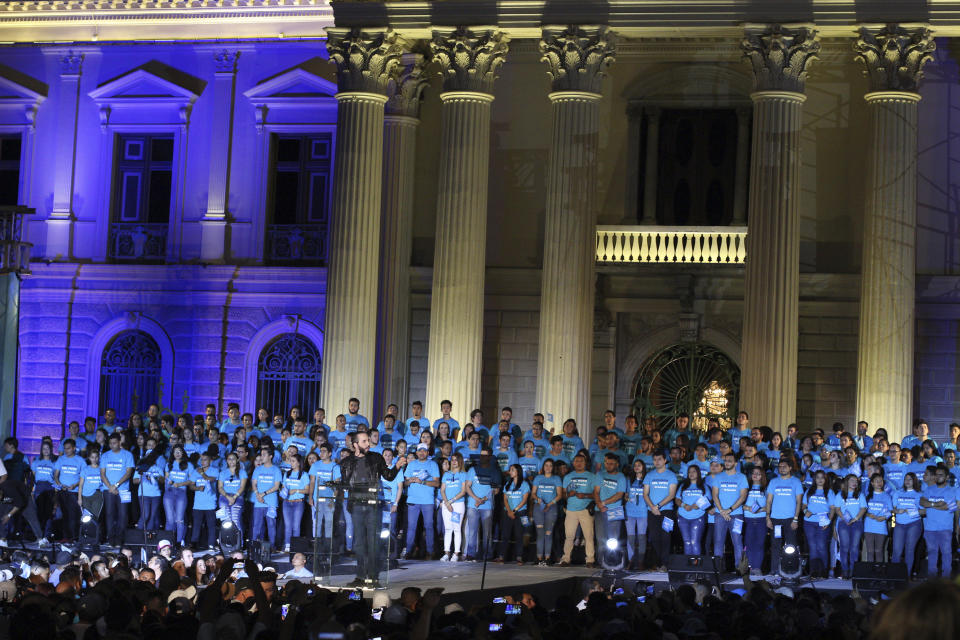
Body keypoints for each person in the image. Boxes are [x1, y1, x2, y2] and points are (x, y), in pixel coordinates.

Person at [338, 430, 406, 587]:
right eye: (364, 441)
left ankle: (373, 577)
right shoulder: (346, 462)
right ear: (355, 444)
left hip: (373, 506)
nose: (368, 444)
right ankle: (361, 576)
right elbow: (346, 484)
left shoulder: (376, 458)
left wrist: (396, 466)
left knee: (373, 542)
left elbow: (388, 476)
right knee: (359, 543)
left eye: (368, 441)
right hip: (356, 505)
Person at [765, 459, 803, 575]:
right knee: (775, 545)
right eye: (780, 467)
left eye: (784, 466)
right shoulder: (773, 482)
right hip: (776, 519)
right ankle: (775, 570)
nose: (781, 468)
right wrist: (768, 517)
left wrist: (796, 519)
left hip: (790, 519)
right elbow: (769, 501)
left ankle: (792, 570)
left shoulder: (796, 482)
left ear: (790, 468)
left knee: (791, 546)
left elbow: (799, 502)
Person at [402, 443, 440, 560]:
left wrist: (422, 482)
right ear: (417, 453)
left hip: (427, 500)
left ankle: (430, 551)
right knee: (411, 527)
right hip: (413, 499)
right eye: (420, 451)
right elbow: (405, 483)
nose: (422, 453)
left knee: (428, 526)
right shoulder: (412, 464)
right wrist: (411, 481)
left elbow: (437, 483)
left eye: (424, 451)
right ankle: (408, 551)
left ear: (428, 452)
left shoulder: (433, 464)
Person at [560, 452, 597, 568]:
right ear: (573, 463)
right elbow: (562, 494)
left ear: (586, 463)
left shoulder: (592, 476)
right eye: (576, 461)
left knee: (589, 536)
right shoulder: (568, 477)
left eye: (581, 461)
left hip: (585, 510)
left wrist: (585, 495)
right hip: (571, 510)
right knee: (569, 536)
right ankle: (566, 559)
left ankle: (590, 560)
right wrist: (568, 494)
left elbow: (596, 494)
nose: (579, 463)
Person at [643, 450, 678, 571]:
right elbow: (645, 494)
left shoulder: (671, 475)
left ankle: (665, 564)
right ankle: (657, 563)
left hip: (667, 511)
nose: (657, 462)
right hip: (652, 511)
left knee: (666, 537)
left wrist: (657, 506)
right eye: (655, 460)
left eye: (659, 459)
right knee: (654, 537)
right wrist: (653, 507)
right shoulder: (649, 475)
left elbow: (672, 495)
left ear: (665, 460)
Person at [464, 447, 500, 561]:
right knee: (472, 531)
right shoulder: (472, 470)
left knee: (487, 533)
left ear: (489, 457)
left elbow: (496, 490)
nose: (482, 458)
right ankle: (471, 554)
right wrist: (476, 499)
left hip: (487, 505)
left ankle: (487, 555)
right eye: (481, 455)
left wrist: (483, 499)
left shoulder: (494, 471)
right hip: (473, 505)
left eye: (485, 455)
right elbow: (467, 486)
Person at [712, 452, 748, 567]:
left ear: (735, 463)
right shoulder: (718, 477)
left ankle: (739, 568)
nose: (727, 463)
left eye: (730, 461)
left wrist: (730, 510)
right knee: (718, 542)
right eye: (726, 460)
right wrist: (722, 511)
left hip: (736, 515)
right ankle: (718, 568)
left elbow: (743, 496)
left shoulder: (741, 477)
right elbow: (714, 495)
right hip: (719, 515)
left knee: (737, 542)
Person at [919, 465, 955, 578]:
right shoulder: (929, 489)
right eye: (936, 475)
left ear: (947, 477)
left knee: (946, 554)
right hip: (930, 528)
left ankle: (946, 581)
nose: (938, 477)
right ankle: (932, 580)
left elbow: (947, 507)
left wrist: (930, 505)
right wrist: (935, 504)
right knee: (932, 554)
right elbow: (922, 502)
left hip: (945, 528)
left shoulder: (953, 491)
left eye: (941, 475)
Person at [100, 433, 134, 547]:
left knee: (123, 515)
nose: (112, 445)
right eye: (110, 443)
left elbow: (128, 473)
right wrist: (110, 487)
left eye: (114, 443)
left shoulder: (127, 455)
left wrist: (116, 485)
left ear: (120, 442)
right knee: (109, 514)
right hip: (108, 490)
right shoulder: (105, 455)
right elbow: (102, 474)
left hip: (123, 490)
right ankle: (110, 539)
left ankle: (120, 540)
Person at [832, 474, 866, 579]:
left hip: (857, 523)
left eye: (856, 481)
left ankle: (853, 570)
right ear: (847, 482)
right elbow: (837, 509)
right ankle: (845, 570)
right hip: (843, 523)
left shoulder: (860, 494)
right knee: (844, 547)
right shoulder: (840, 495)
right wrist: (845, 519)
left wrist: (855, 519)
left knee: (854, 548)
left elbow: (863, 508)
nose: (854, 482)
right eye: (852, 480)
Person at [496, 464, 530, 564]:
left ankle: (519, 557)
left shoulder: (524, 484)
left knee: (519, 535)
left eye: (512, 470)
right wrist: (509, 511)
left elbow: (524, 500)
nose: (510, 472)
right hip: (508, 512)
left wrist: (514, 510)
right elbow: (505, 499)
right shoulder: (508, 484)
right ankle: (501, 556)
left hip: (520, 512)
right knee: (505, 535)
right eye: (510, 470)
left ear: (518, 472)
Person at [250, 447, 282, 552]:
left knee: (271, 526)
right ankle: (254, 546)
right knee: (256, 526)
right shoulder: (258, 469)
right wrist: (257, 494)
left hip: (271, 502)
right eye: (261, 454)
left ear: (270, 456)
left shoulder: (276, 469)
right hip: (259, 502)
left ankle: (272, 547)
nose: (262, 457)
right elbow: (254, 483)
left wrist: (263, 494)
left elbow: (277, 486)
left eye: (264, 454)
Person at [531, 458, 562, 566]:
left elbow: (559, 495)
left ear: (553, 468)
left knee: (548, 533)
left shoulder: (556, 478)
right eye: (546, 465)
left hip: (551, 508)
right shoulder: (538, 478)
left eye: (550, 465)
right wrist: (538, 499)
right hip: (539, 507)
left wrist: (549, 503)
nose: (548, 467)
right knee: (540, 534)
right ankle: (539, 558)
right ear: (543, 467)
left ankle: (547, 558)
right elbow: (533, 493)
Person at [891, 471, 923, 578]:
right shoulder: (897, 493)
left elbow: (924, 511)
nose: (907, 481)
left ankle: (907, 576)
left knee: (910, 550)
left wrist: (913, 511)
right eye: (906, 479)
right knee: (896, 551)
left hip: (914, 523)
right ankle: (894, 577)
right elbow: (893, 509)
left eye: (910, 479)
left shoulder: (919, 494)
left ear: (914, 481)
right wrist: (897, 511)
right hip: (899, 524)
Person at [802, 469, 832, 577]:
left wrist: (829, 521)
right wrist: (805, 511)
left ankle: (824, 570)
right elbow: (804, 505)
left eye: (822, 477)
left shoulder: (829, 492)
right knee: (813, 547)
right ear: (814, 479)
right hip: (809, 522)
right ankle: (814, 571)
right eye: (818, 477)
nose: (820, 480)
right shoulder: (809, 491)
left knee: (822, 546)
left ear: (825, 479)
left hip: (822, 522)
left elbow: (832, 508)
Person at [594, 452, 627, 553]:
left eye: (611, 463)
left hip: (615, 510)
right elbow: (596, 491)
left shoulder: (621, 477)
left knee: (614, 538)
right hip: (599, 510)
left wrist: (603, 503)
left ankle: (613, 561)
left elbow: (619, 495)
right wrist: (599, 505)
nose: (608, 465)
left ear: (617, 464)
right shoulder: (600, 474)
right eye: (607, 463)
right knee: (600, 537)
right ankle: (601, 561)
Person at [53, 439, 85, 541]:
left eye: (68, 448)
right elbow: (56, 475)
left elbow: (83, 477)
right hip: (62, 492)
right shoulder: (60, 459)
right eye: (65, 448)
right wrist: (59, 484)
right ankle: (65, 537)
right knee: (64, 515)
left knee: (73, 516)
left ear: (74, 448)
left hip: (74, 492)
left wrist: (74, 485)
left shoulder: (80, 460)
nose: (66, 450)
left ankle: (74, 537)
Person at [439, 452, 467, 562]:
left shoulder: (464, 474)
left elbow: (463, 491)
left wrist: (451, 501)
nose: (454, 461)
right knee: (448, 529)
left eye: (456, 459)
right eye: (452, 459)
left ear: (460, 461)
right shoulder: (446, 474)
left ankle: (456, 553)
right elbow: (442, 490)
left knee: (456, 529)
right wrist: (446, 503)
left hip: (458, 505)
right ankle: (446, 553)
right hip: (446, 505)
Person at [164, 445, 193, 546]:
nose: (177, 453)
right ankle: (168, 542)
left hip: (181, 492)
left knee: (179, 519)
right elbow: (166, 479)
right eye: (175, 451)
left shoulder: (188, 465)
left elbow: (192, 481)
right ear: (172, 453)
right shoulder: (169, 464)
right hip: (169, 492)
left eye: (179, 451)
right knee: (170, 520)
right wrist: (168, 482)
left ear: (183, 453)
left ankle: (179, 542)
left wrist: (180, 484)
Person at [676, 464, 708, 554]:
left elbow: (708, 500)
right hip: (683, 517)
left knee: (695, 541)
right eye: (689, 472)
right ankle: (688, 565)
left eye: (694, 471)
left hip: (698, 517)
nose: (691, 473)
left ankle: (696, 565)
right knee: (687, 542)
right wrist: (683, 505)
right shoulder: (683, 485)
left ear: (698, 473)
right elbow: (677, 499)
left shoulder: (703, 486)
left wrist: (697, 505)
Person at [280, 453, 309, 552]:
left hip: (298, 503)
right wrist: (283, 492)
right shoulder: (287, 474)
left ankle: (296, 546)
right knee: (288, 526)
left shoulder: (304, 475)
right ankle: (287, 545)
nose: (291, 463)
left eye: (293, 461)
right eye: (290, 461)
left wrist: (296, 490)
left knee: (296, 526)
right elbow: (283, 487)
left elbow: (307, 490)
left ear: (298, 463)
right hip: (287, 502)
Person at [190, 452, 219, 551]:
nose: (203, 462)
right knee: (196, 525)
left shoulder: (214, 470)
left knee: (211, 526)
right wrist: (197, 488)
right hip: (198, 504)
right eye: (201, 460)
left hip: (210, 503)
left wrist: (202, 473)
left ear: (210, 460)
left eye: (205, 459)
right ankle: (194, 545)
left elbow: (211, 479)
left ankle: (211, 545)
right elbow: (191, 485)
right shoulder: (195, 471)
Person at [742, 466, 768, 575]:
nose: (755, 475)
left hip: (761, 519)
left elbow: (770, 506)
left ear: (762, 476)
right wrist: (748, 508)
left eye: (758, 473)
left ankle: (757, 568)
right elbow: (740, 503)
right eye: (753, 473)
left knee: (759, 544)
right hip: (748, 520)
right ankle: (749, 567)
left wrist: (760, 509)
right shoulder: (746, 488)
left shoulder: (766, 489)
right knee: (748, 544)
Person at [30, 441, 58, 540]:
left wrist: (55, 491)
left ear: (51, 450)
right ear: (41, 450)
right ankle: (39, 536)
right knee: (38, 512)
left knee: (48, 513)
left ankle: (46, 536)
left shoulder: (54, 463)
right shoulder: (36, 462)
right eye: (44, 448)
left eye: (48, 448)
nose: (46, 450)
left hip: (49, 488)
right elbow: (33, 477)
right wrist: (32, 491)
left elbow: (55, 478)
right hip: (39, 488)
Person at [863, 472, 892, 562]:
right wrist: (868, 514)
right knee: (870, 551)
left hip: (881, 526)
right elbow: (862, 510)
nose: (879, 483)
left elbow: (890, 511)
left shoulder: (886, 496)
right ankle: (869, 573)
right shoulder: (867, 496)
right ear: (872, 483)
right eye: (877, 481)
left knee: (879, 551)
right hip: (869, 526)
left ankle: (880, 573)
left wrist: (884, 518)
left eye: (881, 481)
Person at [625, 458, 648, 569]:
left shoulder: (647, 480)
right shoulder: (629, 480)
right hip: (630, 512)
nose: (637, 467)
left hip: (643, 512)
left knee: (642, 537)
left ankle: (640, 561)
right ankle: (631, 560)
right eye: (635, 465)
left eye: (639, 465)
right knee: (630, 537)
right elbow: (625, 495)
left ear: (643, 467)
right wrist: (627, 498)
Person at [217, 452, 247, 535]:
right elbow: (220, 487)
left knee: (235, 520)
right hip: (224, 498)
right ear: (226, 461)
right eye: (229, 459)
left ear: (237, 460)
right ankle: (227, 543)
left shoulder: (242, 472)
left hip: (237, 498)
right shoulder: (222, 473)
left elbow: (242, 487)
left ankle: (238, 544)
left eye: (233, 459)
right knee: (225, 522)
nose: (231, 461)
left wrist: (234, 497)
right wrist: (227, 496)